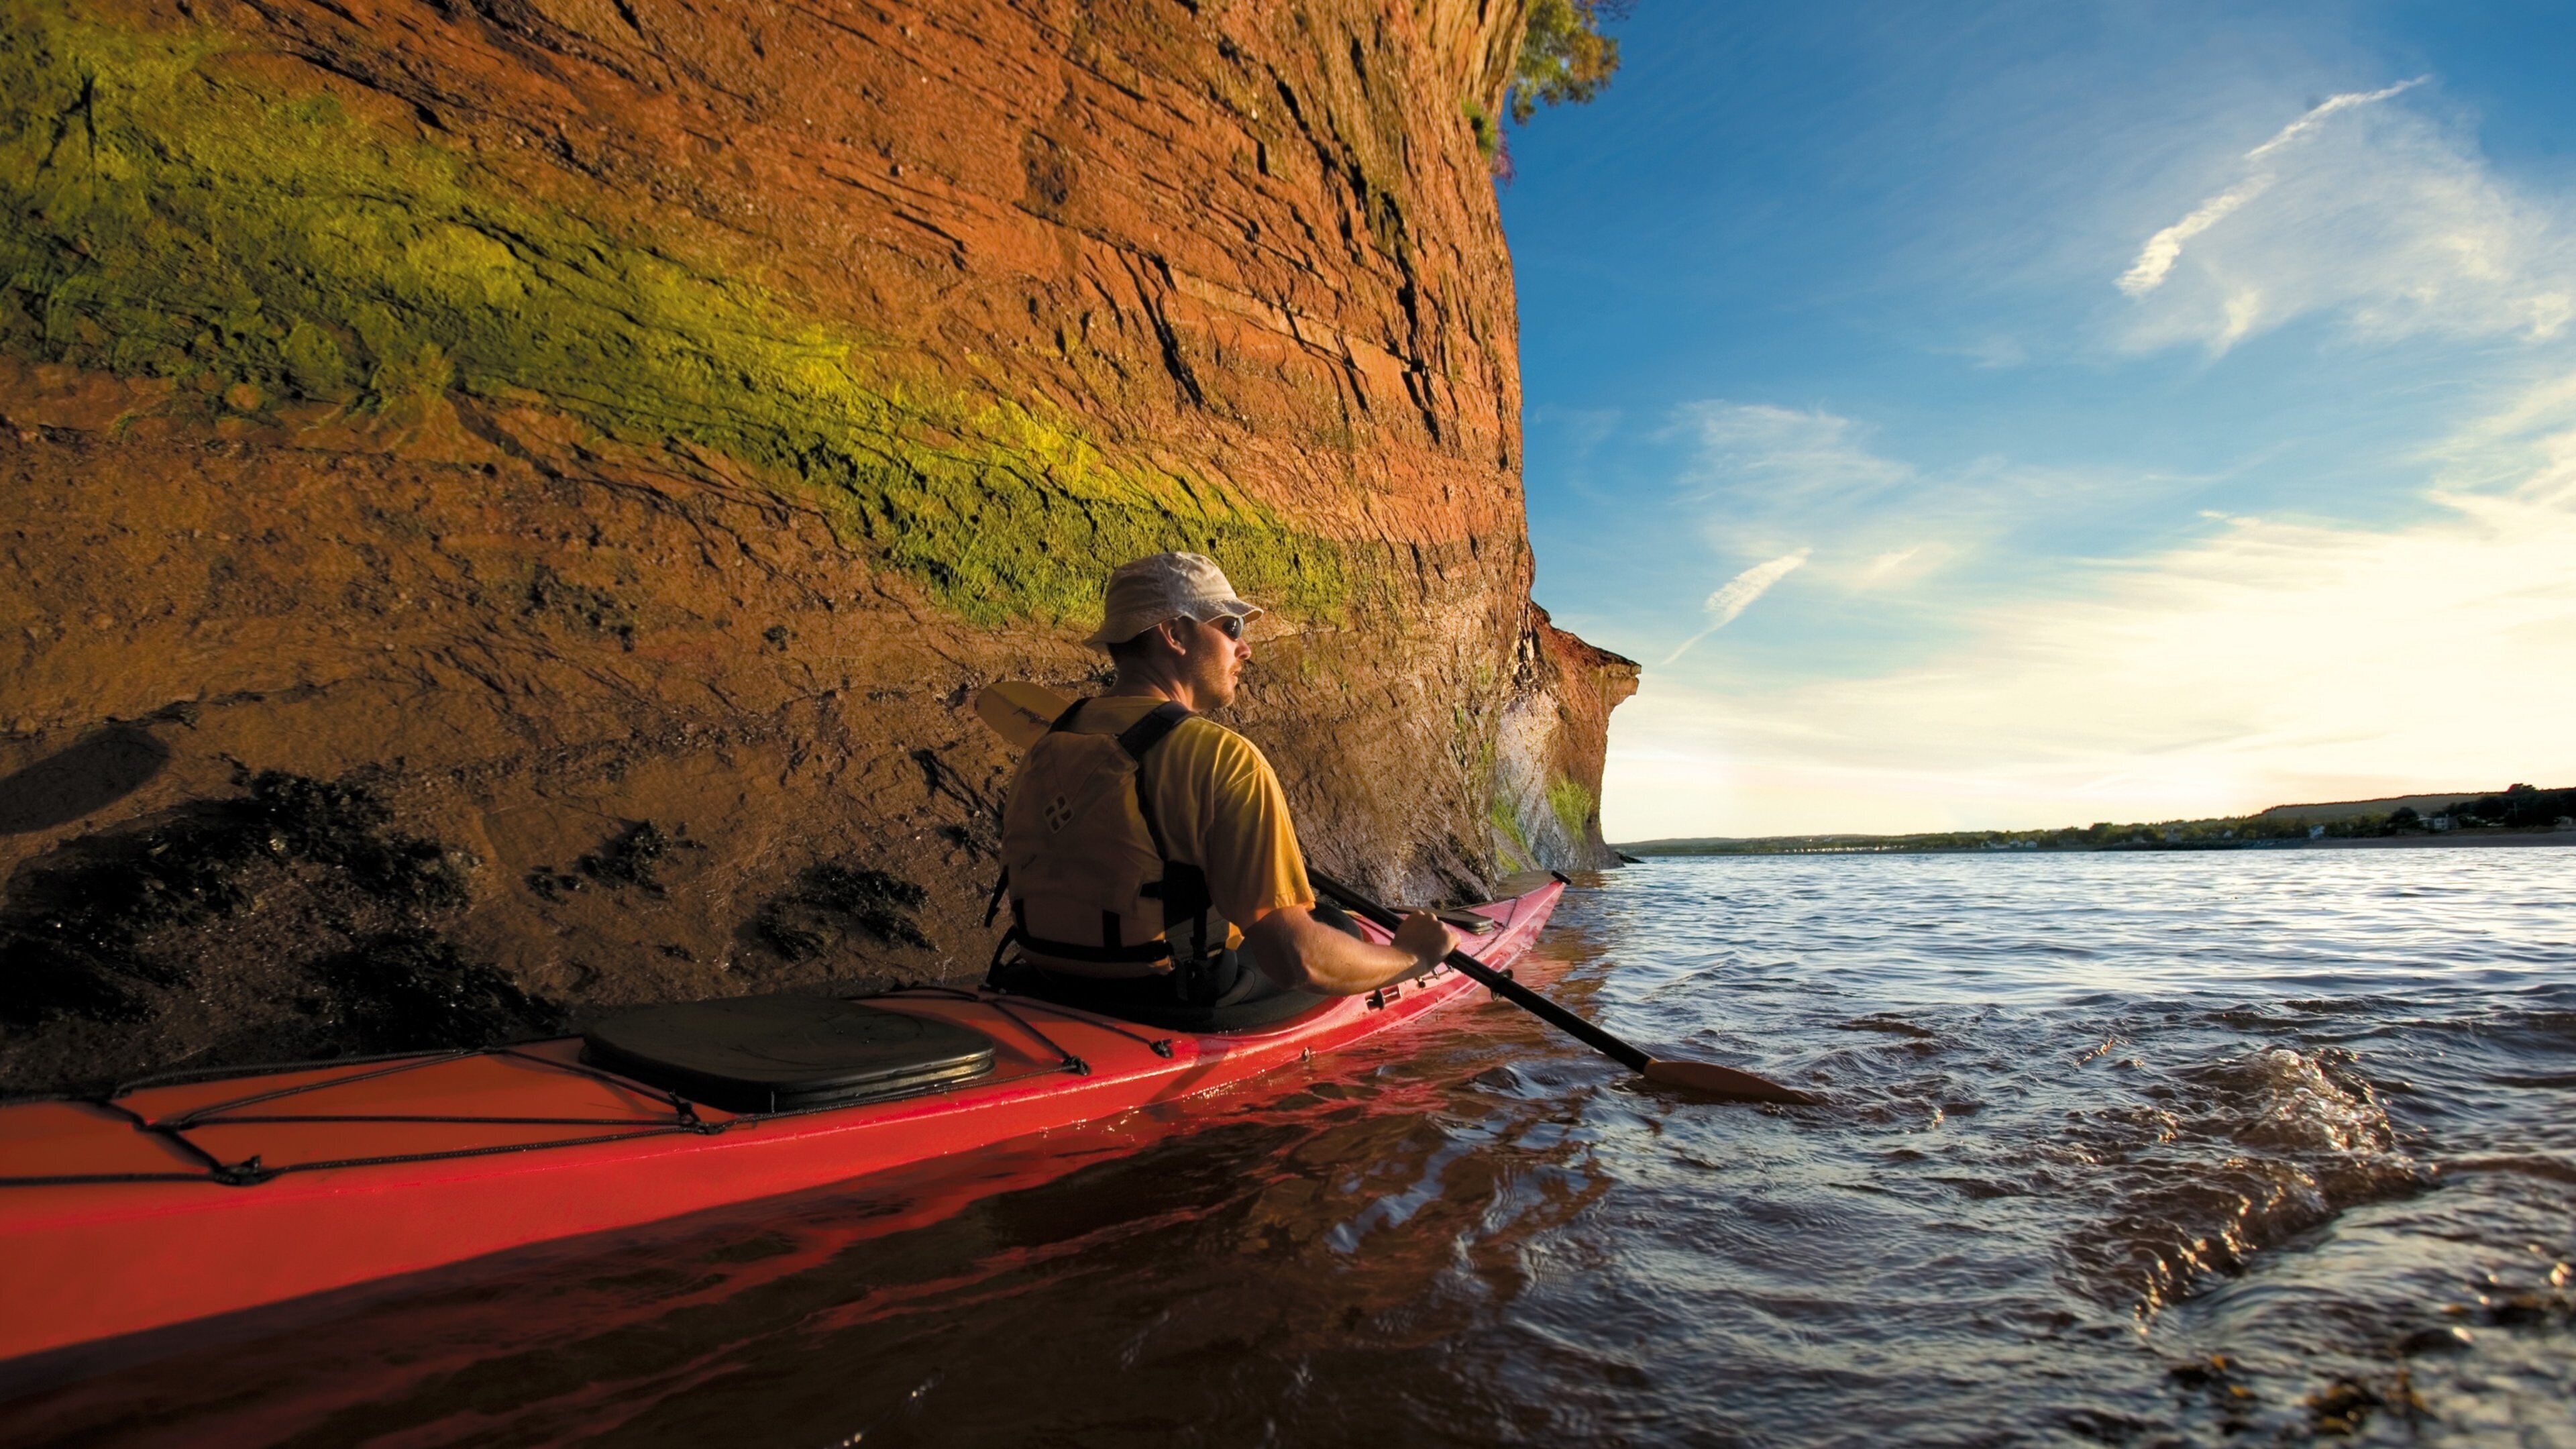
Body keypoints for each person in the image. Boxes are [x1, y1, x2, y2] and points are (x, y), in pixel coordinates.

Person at [989, 551, 1456, 1029]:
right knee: (1333, 928)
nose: (1245, 647)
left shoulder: (1050, 744)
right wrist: (1411, 957)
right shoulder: (1222, 758)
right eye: (1231, 626)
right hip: (1161, 999)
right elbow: (1298, 960)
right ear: (1174, 634)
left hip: (1048, 978)